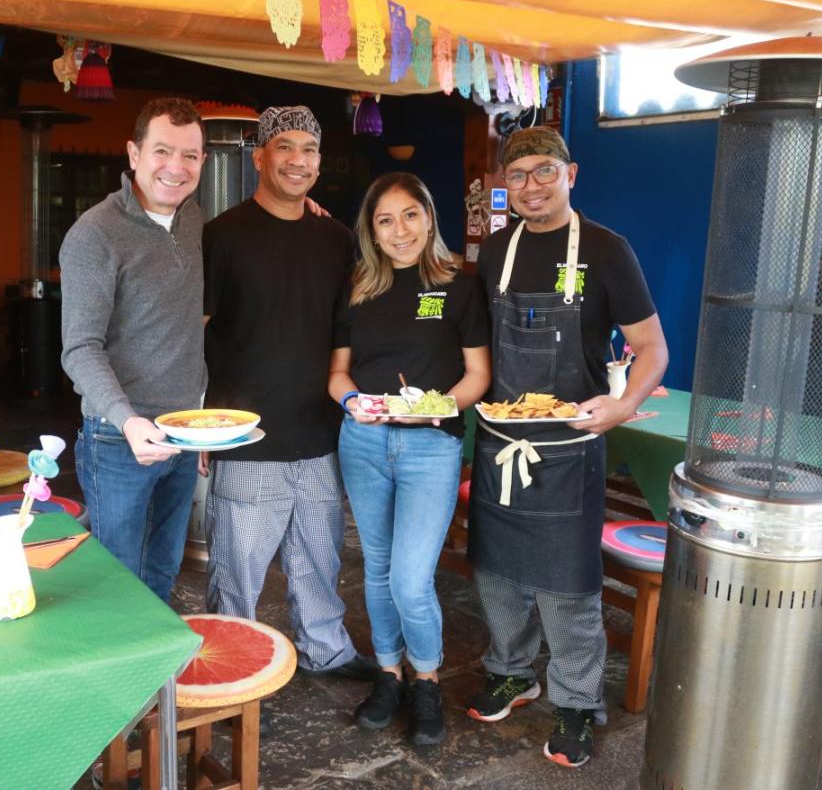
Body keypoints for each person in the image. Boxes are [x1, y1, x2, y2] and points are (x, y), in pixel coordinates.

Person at [468, 126, 668, 768]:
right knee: (496, 572)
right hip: (499, 439)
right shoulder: (494, 252)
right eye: (519, 174)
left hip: (570, 444)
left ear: (570, 174)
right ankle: (511, 670)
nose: (531, 185)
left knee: (567, 586)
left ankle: (577, 704)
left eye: (543, 172)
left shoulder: (608, 251)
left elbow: (653, 350)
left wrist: (625, 404)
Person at [202, 105, 375, 679]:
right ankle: (231, 666)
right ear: (260, 158)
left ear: (319, 163)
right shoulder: (221, 235)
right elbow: (197, 332)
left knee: (319, 556)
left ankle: (326, 649)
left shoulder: (336, 238)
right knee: (238, 569)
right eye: (285, 148)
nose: (298, 160)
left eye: (309, 150)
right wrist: (200, 421)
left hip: (318, 431)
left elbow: (348, 331)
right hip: (245, 432)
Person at [327, 172, 490, 744]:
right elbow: (338, 374)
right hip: (364, 443)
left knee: (411, 579)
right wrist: (352, 402)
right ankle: (389, 674)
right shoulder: (358, 289)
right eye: (385, 219)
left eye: (410, 215)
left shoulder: (459, 286)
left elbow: (478, 376)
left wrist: (437, 407)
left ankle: (427, 679)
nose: (400, 231)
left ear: (429, 216)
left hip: (431, 446)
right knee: (376, 568)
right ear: (371, 229)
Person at [60, 97, 206, 603]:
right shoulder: (95, 234)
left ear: (203, 162)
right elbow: (79, 348)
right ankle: (120, 682)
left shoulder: (194, 223)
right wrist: (128, 420)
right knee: (119, 583)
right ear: (133, 154)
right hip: (119, 439)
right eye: (162, 151)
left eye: (190, 155)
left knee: (164, 571)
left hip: (184, 434)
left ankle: (158, 683)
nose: (176, 166)